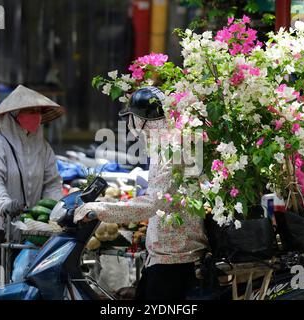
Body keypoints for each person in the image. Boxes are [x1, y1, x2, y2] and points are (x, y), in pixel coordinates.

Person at [74, 87, 209, 300]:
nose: (131, 125)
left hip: (174, 259)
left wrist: (101, 210)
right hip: (165, 254)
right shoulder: (165, 142)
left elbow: (153, 203)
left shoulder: (172, 148)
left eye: (133, 118)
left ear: (142, 120)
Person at [0, 85, 65, 283]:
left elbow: (52, 182)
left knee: (26, 277)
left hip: (31, 224)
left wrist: (54, 209)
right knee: (0, 279)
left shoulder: (43, 146)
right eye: (30, 111)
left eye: (38, 111)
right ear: (14, 115)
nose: (36, 116)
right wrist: (4, 203)